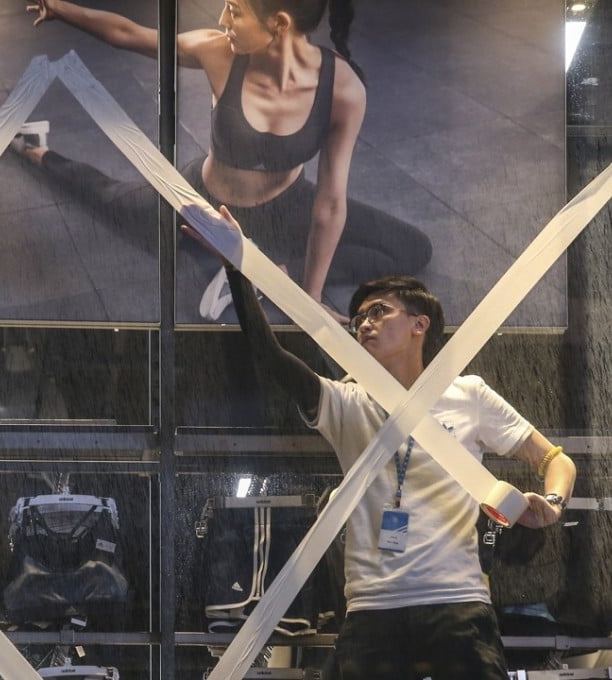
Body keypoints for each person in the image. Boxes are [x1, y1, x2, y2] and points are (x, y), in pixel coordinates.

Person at [184, 207, 575, 678]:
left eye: (378, 312)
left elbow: (554, 459)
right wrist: (238, 265)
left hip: (455, 602)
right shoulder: (346, 402)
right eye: (357, 319)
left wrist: (551, 504)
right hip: (372, 607)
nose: (363, 324)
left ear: (419, 324)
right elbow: (271, 358)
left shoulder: (466, 394)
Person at [17, 0, 432, 322]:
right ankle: (34, 148)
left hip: (288, 209)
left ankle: (268, 275)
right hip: (202, 204)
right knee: (109, 198)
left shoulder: (342, 88)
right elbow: (129, 33)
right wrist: (61, 8)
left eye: (235, 10)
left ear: (280, 24)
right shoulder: (219, 53)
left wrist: (307, 295)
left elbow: (330, 201)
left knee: (412, 248)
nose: (221, 19)